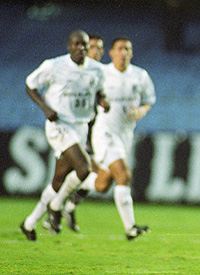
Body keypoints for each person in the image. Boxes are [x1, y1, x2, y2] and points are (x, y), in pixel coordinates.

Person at [47, 37, 156, 240]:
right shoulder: (102, 73)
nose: (124, 52)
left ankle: (62, 204)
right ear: (112, 53)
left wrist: (141, 111)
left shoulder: (140, 76)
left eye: (128, 49)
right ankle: (130, 228)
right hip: (104, 133)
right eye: (120, 48)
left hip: (125, 135)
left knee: (102, 185)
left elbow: (149, 101)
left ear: (131, 53)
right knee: (124, 175)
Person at [20, 30, 109, 241]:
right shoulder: (54, 66)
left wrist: (103, 101)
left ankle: (29, 223)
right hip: (59, 125)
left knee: (58, 182)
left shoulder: (96, 69)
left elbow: (98, 91)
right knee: (84, 168)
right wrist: (45, 109)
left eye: (85, 45)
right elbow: (30, 85)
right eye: (77, 44)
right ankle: (57, 206)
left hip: (80, 126)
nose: (81, 49)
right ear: (68, 46)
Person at [57, 33, 106, 232]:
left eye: (98, 47)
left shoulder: (102, 73)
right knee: (82, 173)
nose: (93, 50)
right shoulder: (72, 71)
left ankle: (64, 208)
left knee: (91, 176)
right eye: (91, 46)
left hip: (95, 133)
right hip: (74, 131)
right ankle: (56, 210)